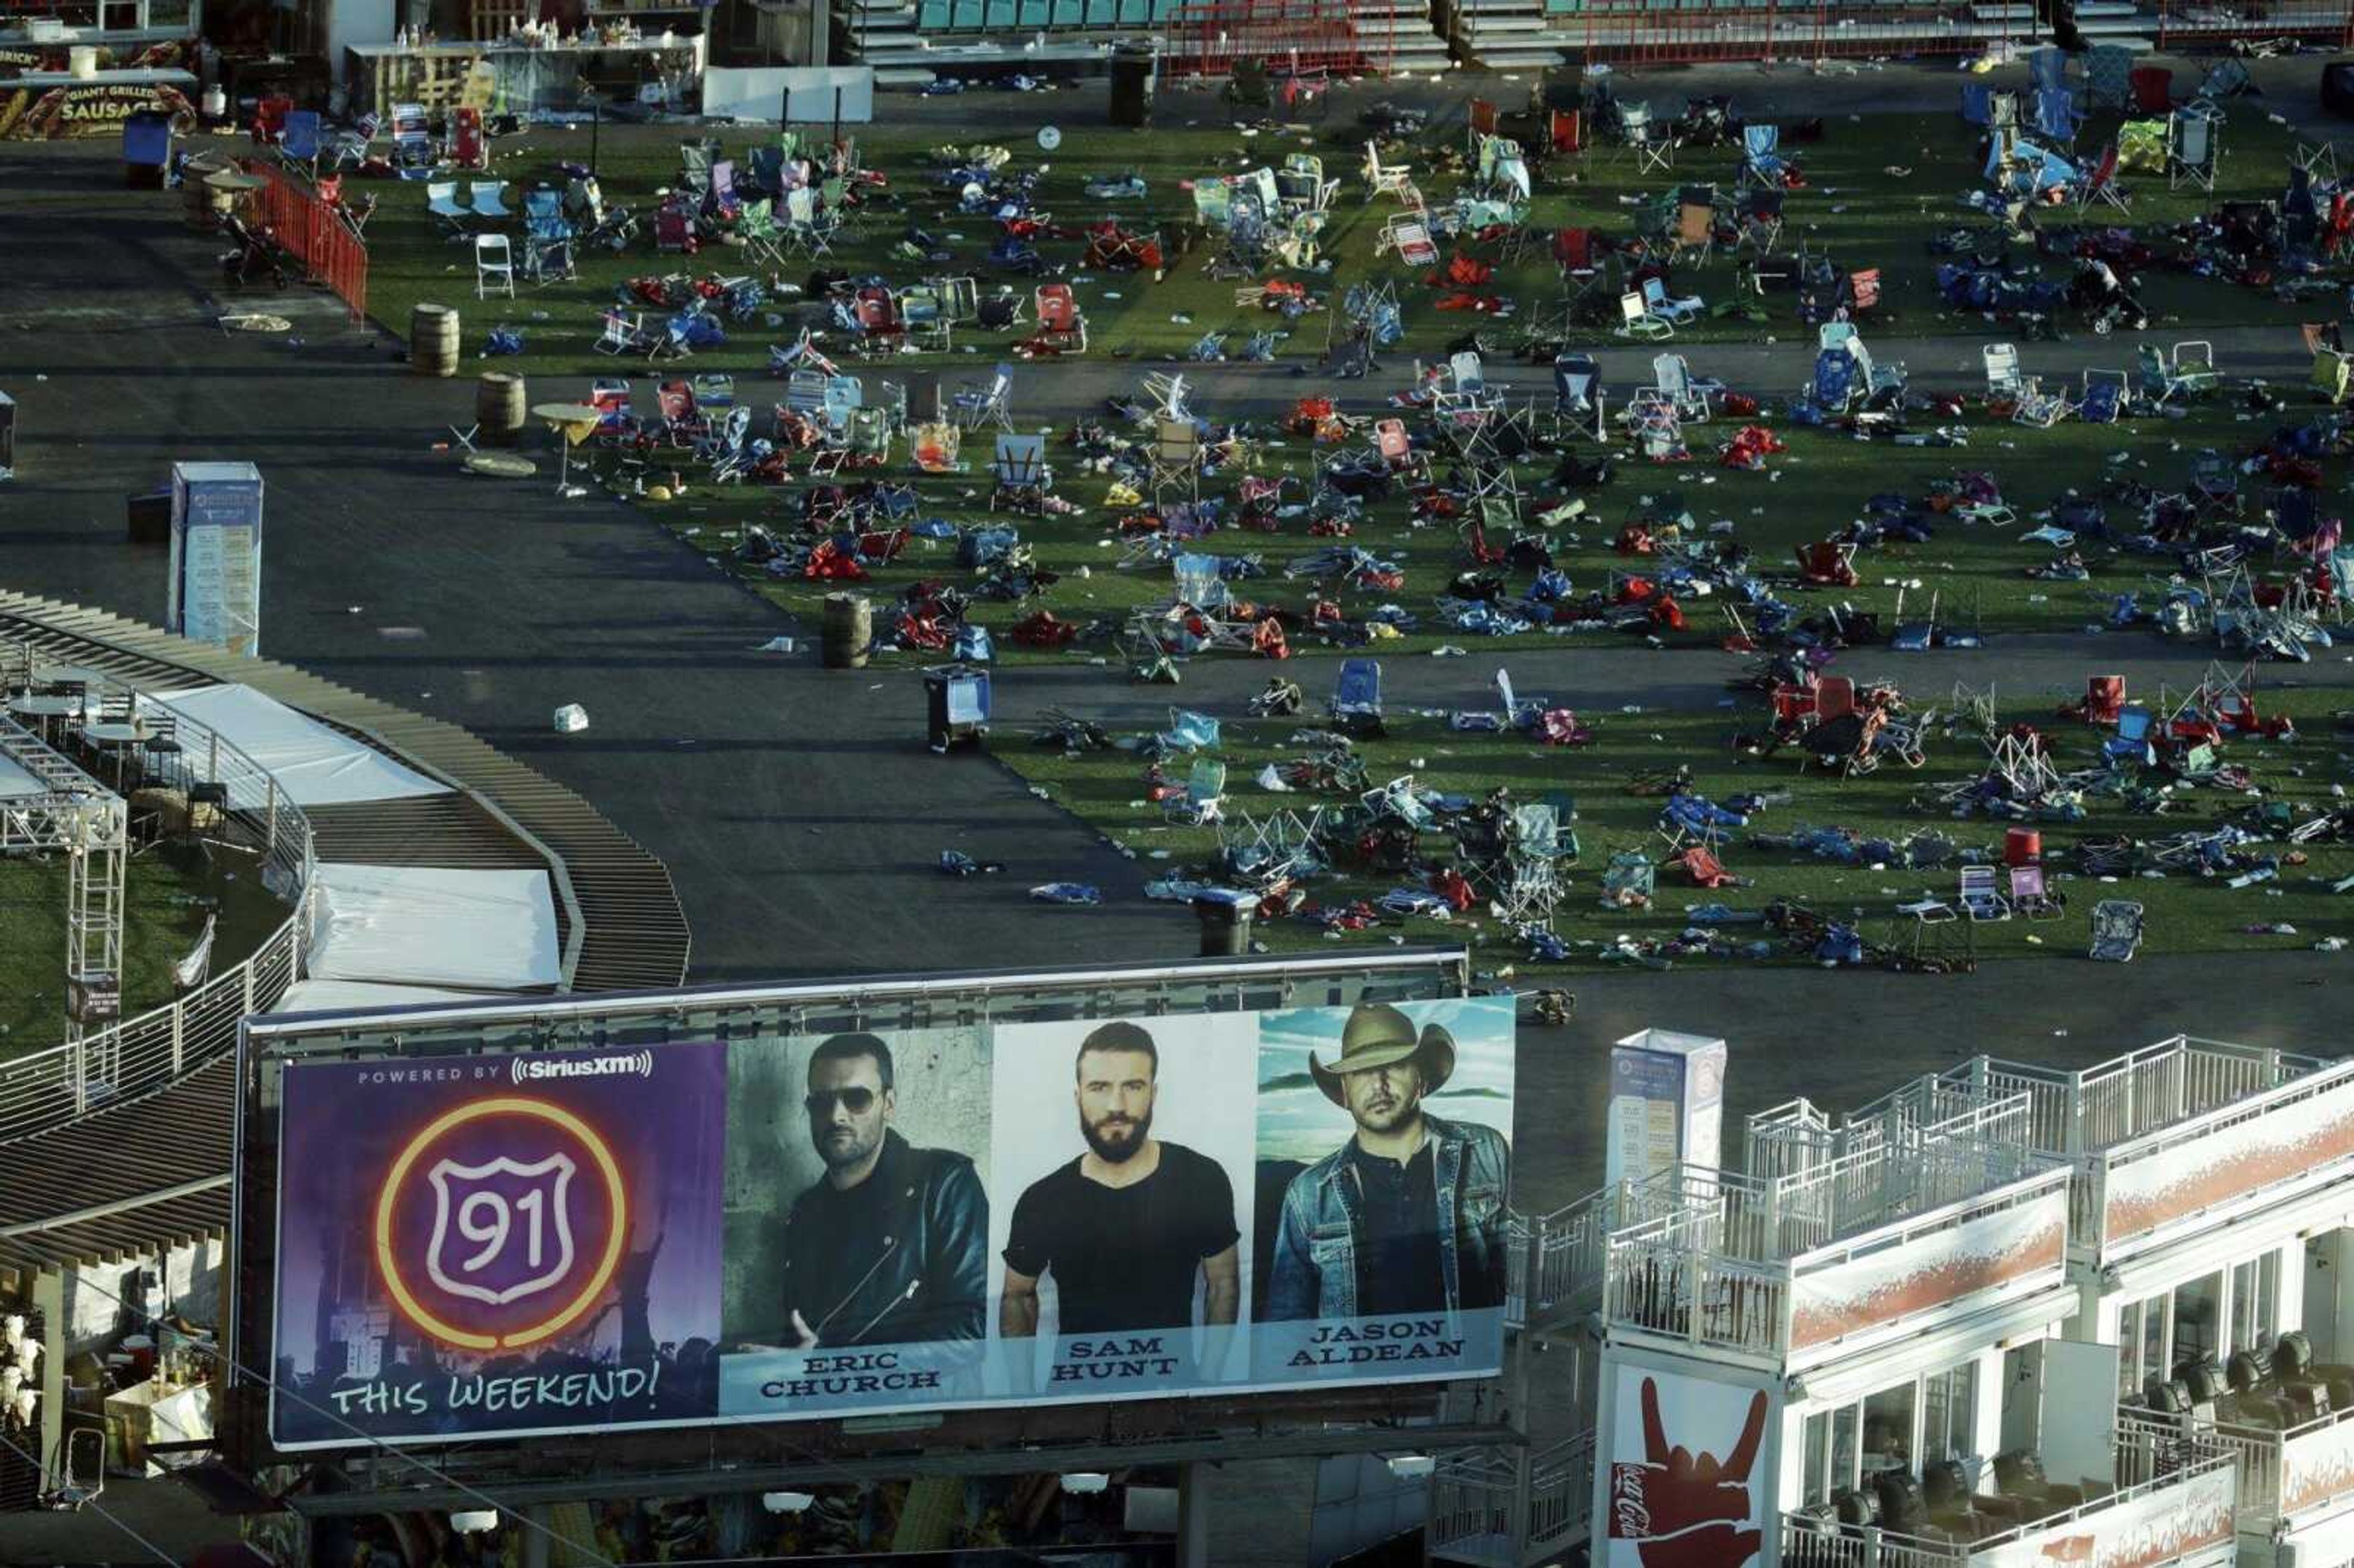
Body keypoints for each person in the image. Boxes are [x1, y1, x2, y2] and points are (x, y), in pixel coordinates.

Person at [1266, 1003, 1510, 1322]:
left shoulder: (1484, 1150)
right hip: (1353, 1368)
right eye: (1361, 1072)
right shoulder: (1308, 1193)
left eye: (1394, 1065)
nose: (1378, 1084)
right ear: (1345, 1091)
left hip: (1463, 1364)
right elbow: (1287, 1321)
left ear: (1420, 1077)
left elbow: (1511, 1269)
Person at [745, 1033, 988, 1350]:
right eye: (822, 1101)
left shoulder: (944, 1183)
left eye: (856, 1099)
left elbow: (972, 1329)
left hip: (921, 1399)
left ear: (888, 1105)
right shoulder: (805, 1212)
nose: (836, 1116)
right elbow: (801, 1342)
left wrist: (826, 1368)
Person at [1000, 1021, 1240, 1340]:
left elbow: (1223, 1284)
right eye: (1099, 1087)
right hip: (1077, 1387)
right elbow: (1018, 1296)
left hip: (1172, 1386)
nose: (1116, 1106)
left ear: (1154, 1093)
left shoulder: (1200, 1178)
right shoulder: (1043, 1199)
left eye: (1133, 1086)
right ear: (1078, 1096)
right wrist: (1024, 1391)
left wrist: (1211, 1386)